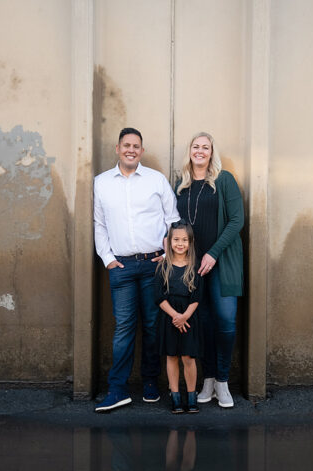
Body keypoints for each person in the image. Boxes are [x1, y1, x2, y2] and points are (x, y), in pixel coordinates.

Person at [93, 127, 180, 412]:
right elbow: (100, 224)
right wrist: (107, 258)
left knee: (154, 327)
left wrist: (167, 253)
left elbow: (173, 219)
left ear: (141, 151)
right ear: (117, 149)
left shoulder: (156, 180)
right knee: (124, 329)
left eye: (136, 146)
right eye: (126, 145)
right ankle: (117, 389)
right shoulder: (102, 183)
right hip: (121, 266)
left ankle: (150, 382)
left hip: (154, 265)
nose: (131, 149)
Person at [175, 132, 244, 408]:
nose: (200, 151)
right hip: (192, 268)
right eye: (196, 146)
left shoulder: (224, 180)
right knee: (201, 325)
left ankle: (223, 381)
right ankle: (209, 379)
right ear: (190, 151)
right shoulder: (181, 184)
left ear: (211, 152)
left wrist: (213, 253)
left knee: (225, 323)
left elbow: (237, 220)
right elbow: (173, 223)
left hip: (221, 264)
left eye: (205, 147)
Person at [155, 221, 205, 414]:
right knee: (172, 356)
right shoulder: (163, 267)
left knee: (188, 357)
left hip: (189, 318)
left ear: (190, 242)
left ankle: (191, 396)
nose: (180, 243)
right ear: (169, 242)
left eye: (184, 240)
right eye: (176, 239)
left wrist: (184, 317)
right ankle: (175, 396)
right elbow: (158, 296)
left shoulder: (195, 267)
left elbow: (197, 296)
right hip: (169, 318)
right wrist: (175, 316)